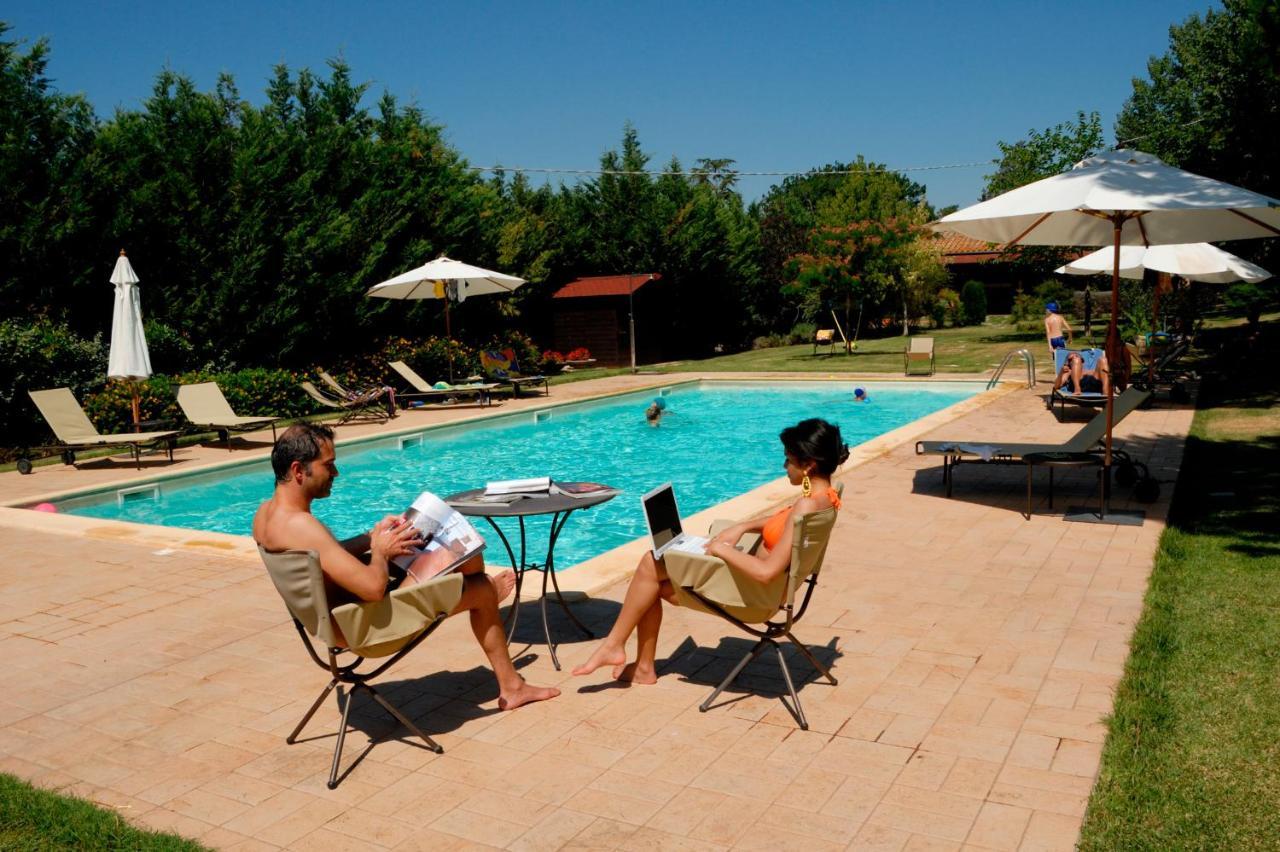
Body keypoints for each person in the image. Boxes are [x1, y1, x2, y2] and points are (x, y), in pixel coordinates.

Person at [253, 423, 559, 711]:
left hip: (336, 620)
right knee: (478, 587)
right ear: (298, 470)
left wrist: (370, 538)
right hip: (362, 628)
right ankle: (511, 682)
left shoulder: (266, 515)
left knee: (455, 558)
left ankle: (478, 587)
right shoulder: (303, 526)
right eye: (328, 464)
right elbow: (373, 589)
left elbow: (324, 554)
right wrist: (381, 552)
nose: (336, 472)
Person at [572, 418, 848, 684]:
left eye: (789, 459)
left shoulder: (806, 505)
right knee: (652, 576)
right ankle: (639, 665)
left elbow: (766, 572)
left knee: (651, 563)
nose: (784, 465)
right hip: (760, 589)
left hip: (754, 597)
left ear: (809, 465)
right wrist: (742, 527)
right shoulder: (824, 499)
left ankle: (616, 647)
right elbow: (785, 524)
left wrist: (720, 549)